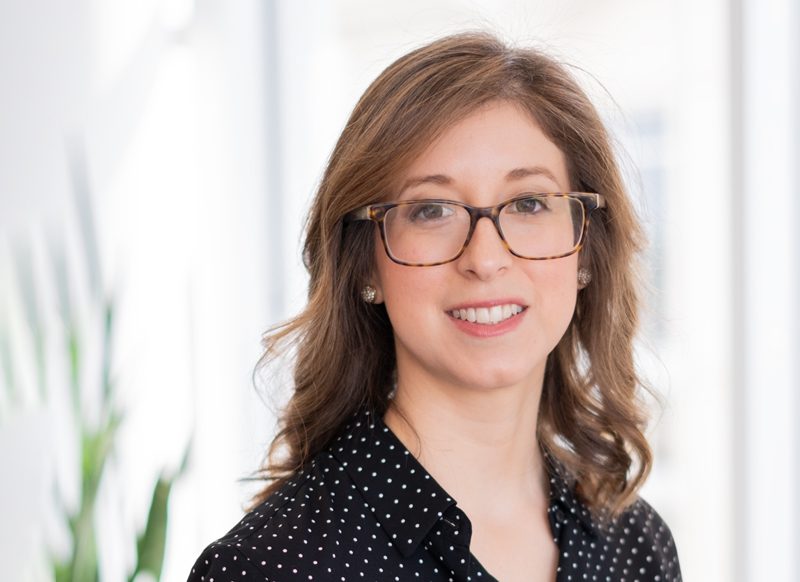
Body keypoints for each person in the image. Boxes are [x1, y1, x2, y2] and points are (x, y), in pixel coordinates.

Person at [187, 31, 682, 582]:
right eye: (432, 210)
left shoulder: (636, 546)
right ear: (366, 265)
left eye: (528, 202)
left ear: (586, 248)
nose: (486, 258)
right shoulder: (273, 567)